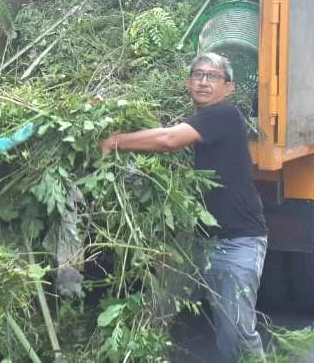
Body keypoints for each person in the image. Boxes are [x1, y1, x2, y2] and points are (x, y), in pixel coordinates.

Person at [100, 53, 267, 362]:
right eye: (198, 75)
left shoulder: (225, 115)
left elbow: (168, 139)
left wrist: (115, 140)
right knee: (162, 311)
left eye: (213, 76)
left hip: (237, 241)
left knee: (236, 333)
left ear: (229, 87)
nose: (203, 81)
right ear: (188, 82)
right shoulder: (201, 121)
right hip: (200, 241)